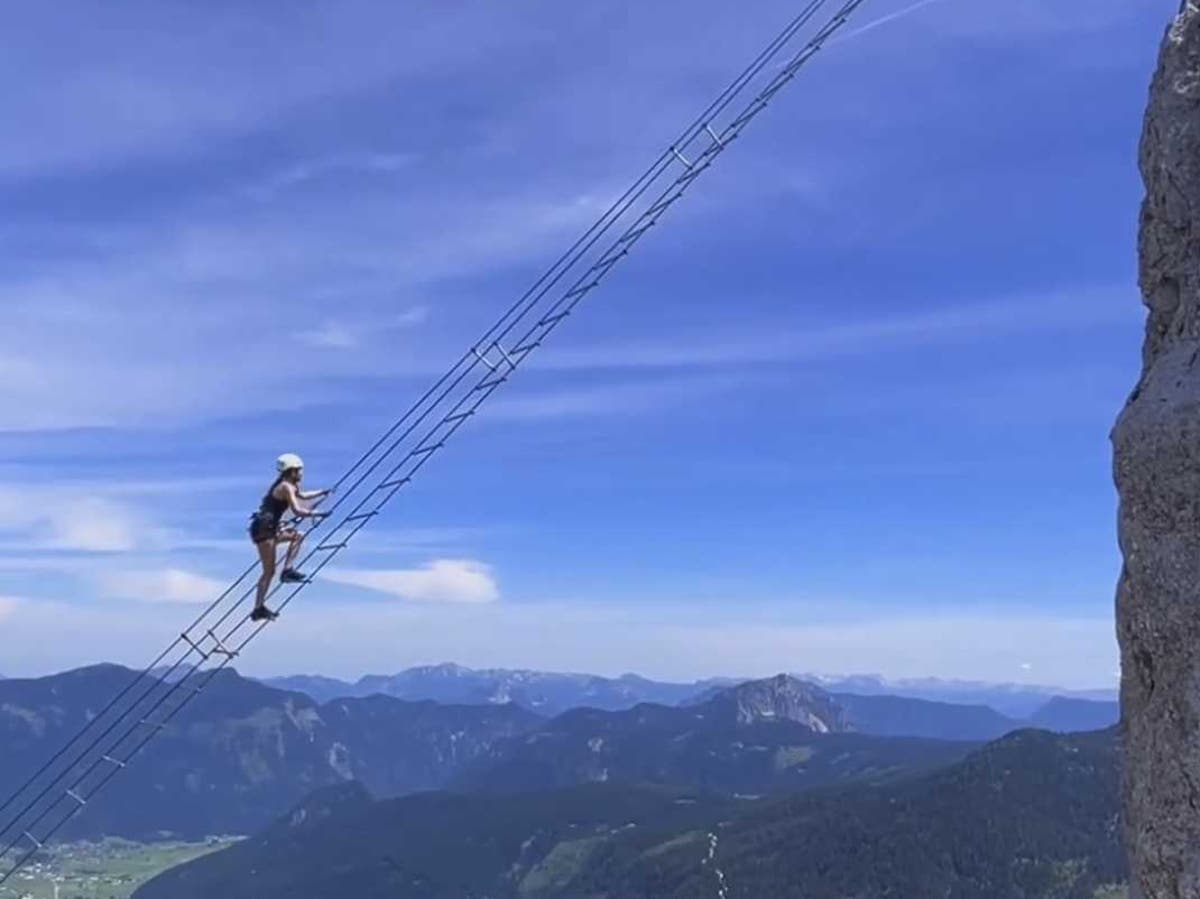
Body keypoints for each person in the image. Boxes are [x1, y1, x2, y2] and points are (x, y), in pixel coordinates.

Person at [248, 453, 331, 621]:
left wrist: (322, 493)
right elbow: (297, 509)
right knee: (268, 571)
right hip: (264, 530)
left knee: (297, 536)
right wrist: (317, 514)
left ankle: (287, 570)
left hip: (268, 527)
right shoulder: (286, 486)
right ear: (292, 471)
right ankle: (258, 608)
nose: (301, 473)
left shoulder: (289, 485)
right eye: (299, 470)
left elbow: (302, 496)